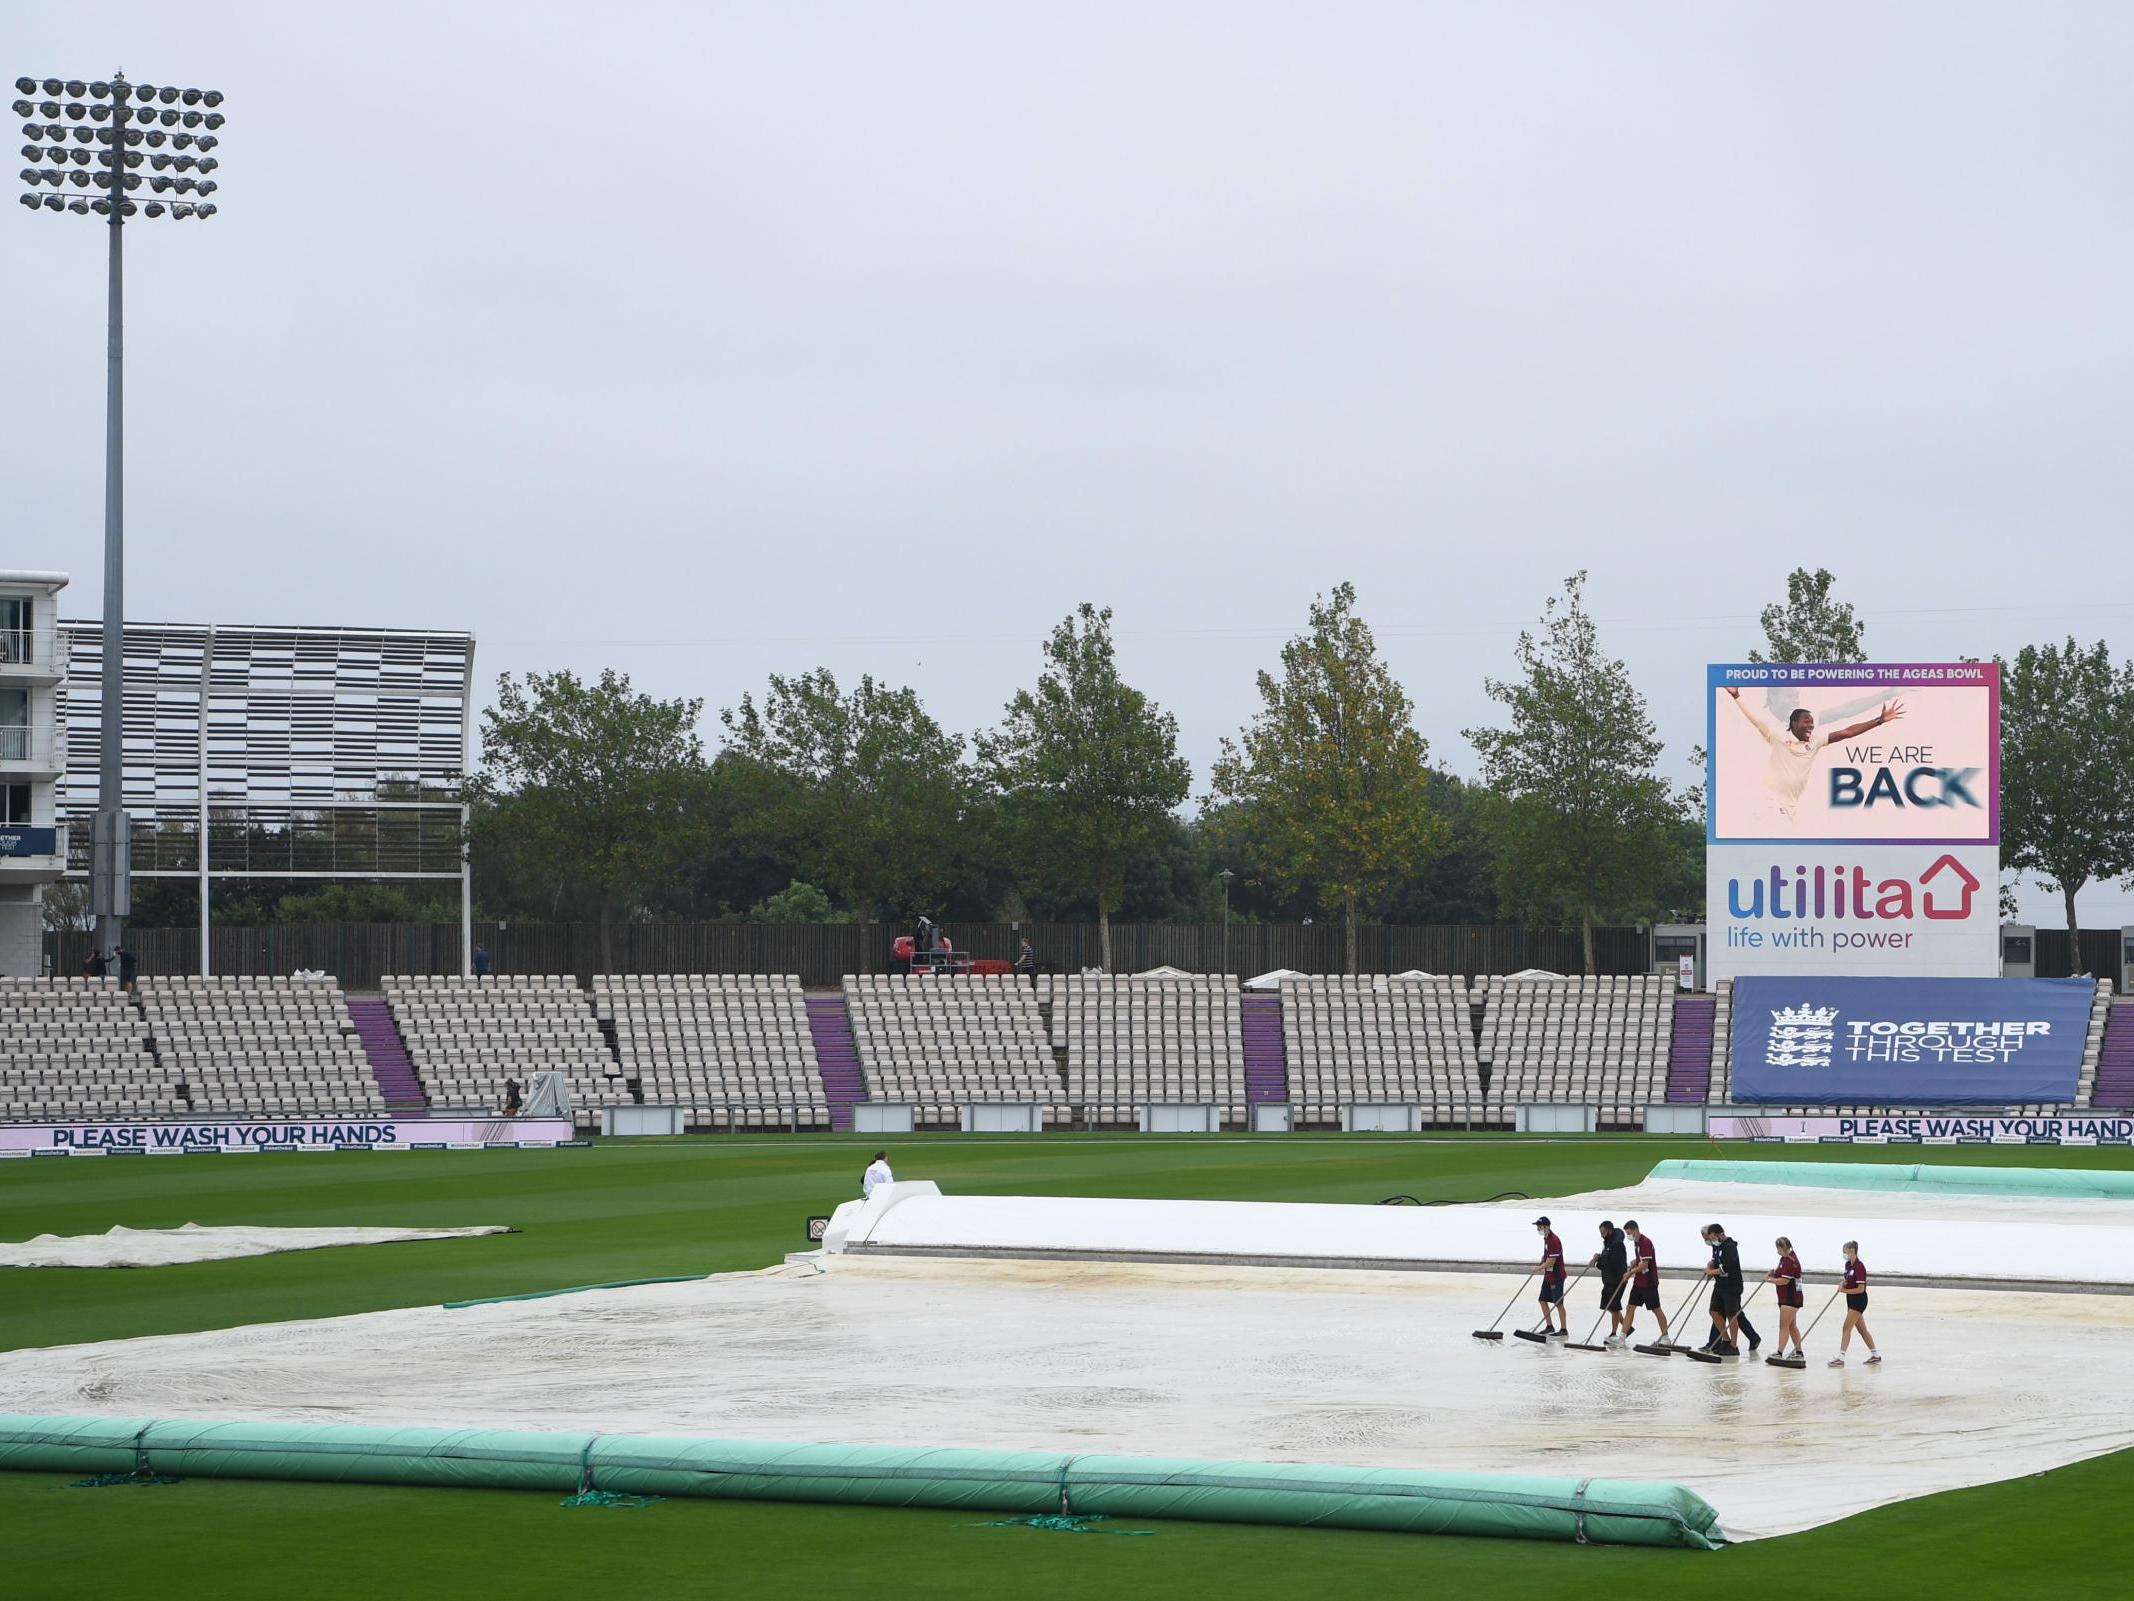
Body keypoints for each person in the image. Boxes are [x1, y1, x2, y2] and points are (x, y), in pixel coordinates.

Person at [1723, 685, 1905, 830]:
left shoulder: (1815, 741)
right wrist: (1736, 696)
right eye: (1806, 722)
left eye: (1812, 723)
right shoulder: (1777, 736)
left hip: (1792, 806)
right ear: (1793, 724)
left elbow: (1847, 732)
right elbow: (1755, 719)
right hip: (1770, 804)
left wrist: (1878, 721)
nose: (1810, 726)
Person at [1830, 1240, 1881, 1367]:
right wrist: (1843, 1283)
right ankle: (1875, 1355)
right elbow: (1848, 1279)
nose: (1844, 1254)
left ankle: (1840, 1358)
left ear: (1852, 1250)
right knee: (1862, 1330)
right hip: (1851, 1300)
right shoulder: (1848, 1265)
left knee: (1846, 1327)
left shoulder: (1860, 1267)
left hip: (1859, 1300)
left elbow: (1861, 1289)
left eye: (1845, 1251)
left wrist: (1844, 1290)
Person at [1620, 1220, 1670, 1347]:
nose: (1628, 1236)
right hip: (1639, 1282)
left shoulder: (1645, 1242)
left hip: (1648, 1282)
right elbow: (1641, 1260)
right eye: (1627, 1233)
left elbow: (1645, 1264)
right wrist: (1634, 1261)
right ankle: (1622, 1337)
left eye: (1629, 1233)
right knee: (1630, 1307)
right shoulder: (1637, 1242)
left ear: (1635, 1229)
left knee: (1656, 1309)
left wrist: (1629, 1273)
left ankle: (1665, 1337)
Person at [1701, 1223, 1745, 1356]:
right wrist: (1711, 1264)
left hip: (1732, 1286)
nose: (1710, 1239)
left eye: (1711, 1236)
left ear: (1718, 1234)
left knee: (1732, 1315)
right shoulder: (1716, 1245)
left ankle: (1733, 1345)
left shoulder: (1730, 1247)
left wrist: (1711, 1271)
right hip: (1720, 1285)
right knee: (1714, 1311)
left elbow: (1727, 1267)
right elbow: (1716, 1260)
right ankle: (1725, 1340)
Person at [1767, 1236, 1806, 1360]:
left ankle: (1779, 1352)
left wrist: (1769, 1280)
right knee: (1791, 1326)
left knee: (1783, 1325)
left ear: (1783, 1247)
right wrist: (1774, 1273)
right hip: (1789, 1297)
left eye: (1777, 1248)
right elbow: (1782, 1274)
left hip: (1790, 1298)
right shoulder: (1784, 1259)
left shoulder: (1790, 1261)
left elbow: (1784, 1281)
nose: (1776, 1251)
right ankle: (1799, 1352)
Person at [1590, 1219, 1628, 1345]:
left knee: (1614, 1306)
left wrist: (1598, 1263)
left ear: (1609, 1231)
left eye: (1603, 1232)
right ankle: (1627, 1327)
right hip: (1608, 1279)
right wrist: (1598, 1257)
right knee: (1607, 1305)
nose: (1601, 1235)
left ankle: (1614, 1333)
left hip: (1617, 1279)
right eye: (1600, 1232)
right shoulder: (1608, 1242)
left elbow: (1612, 1264)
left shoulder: (1617, 1244)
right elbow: (1606, 1257)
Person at [1533, 1216, 1569, 1337]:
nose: (1538, 1228)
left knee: (1558, 1303)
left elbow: (1552, 1261)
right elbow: (1548, 1257)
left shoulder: (1553, 1240)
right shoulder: (1546, 1239)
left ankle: (1564, 1329)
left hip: (1556, 1276)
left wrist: (1540, 1267)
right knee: (1542, 1300)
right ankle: (1549, 1326)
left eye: (1540, 1226)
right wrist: (1543, 1260)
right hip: (1548, 1275)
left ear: (1547, 1226)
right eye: (1537, 1226)